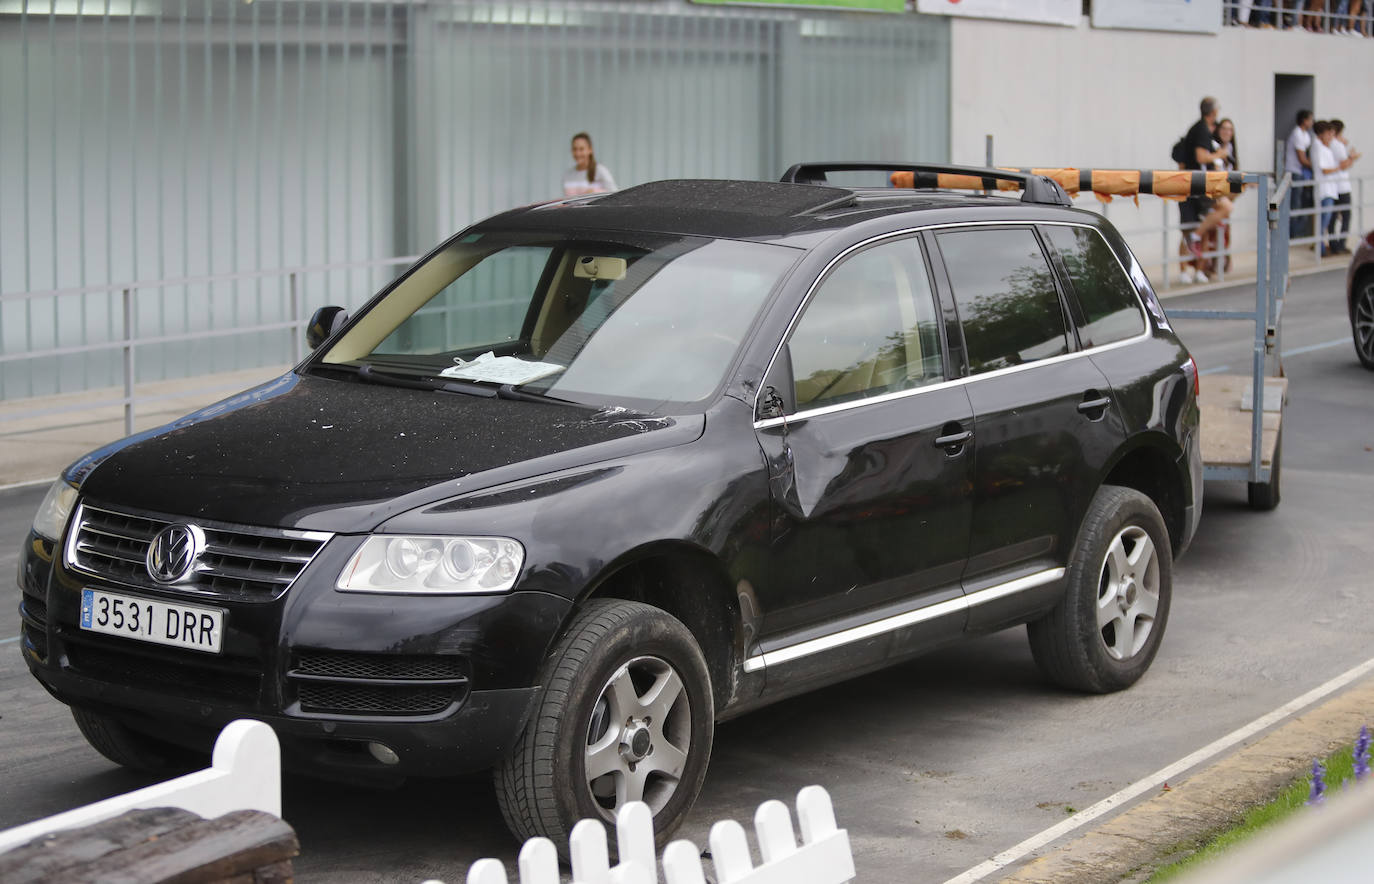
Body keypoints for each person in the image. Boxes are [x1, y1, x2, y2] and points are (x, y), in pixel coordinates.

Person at [1177, 97, 1232, 284]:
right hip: (1195, 188)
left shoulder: (1205, 130)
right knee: (1189, 230)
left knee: (1206, 228)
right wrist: (1219, 154)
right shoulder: (1200, 129)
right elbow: (1200, 157)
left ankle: (1200, 268)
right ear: (1213, 112)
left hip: (1202, 187)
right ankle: (1185, 268)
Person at [1309, 120, 1358, 256]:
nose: (1331, 136)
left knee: (1328, 220)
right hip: (1326, 190)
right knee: (1325, 221)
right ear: (1321, 134)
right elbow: (1325, 170)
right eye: (1328, 134)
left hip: (1330, 189)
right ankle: (1323, 248)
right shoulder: (1319, 147)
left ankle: (1324, 247)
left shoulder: (1325, 147)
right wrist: (1345, 162)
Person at [1326, 119, 1362, 253]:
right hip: (1342, 186)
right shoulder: (1337, 145)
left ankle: (1333, 244)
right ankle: (1340, 245)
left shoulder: (1328, 144)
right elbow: (1344, 165)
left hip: (1332, 186)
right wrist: (1352, 157)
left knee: (1333, 217)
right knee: (1346, 216)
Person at [1284, 110, 1314, 239]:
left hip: (1302, 173)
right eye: (1310, 119)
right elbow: (1302, 158)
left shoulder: (1306, 134)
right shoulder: (1297, 133)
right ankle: (1292, 233)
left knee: (1303, 203)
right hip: (1294, 172)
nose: (1312, 122)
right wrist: (1317, 167)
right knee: (1295, 203)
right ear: (1304, 120)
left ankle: (1297, 232)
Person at [562, 132, 618, 197]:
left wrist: (595, 192)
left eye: (581, 149)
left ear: (590, 150)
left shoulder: (600, 170)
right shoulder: (568, 175)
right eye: (575, 149)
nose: (578, 153)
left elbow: (615, 195)